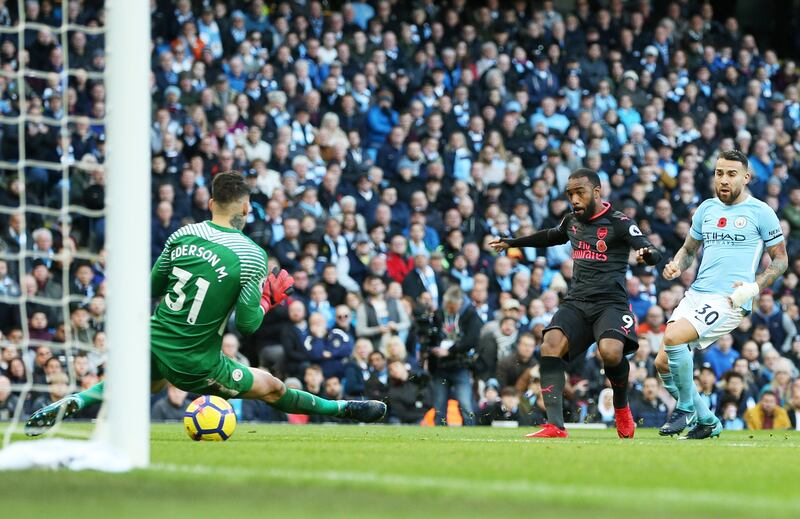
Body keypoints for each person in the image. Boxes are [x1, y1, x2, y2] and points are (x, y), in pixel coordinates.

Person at [26, 172, 386, 434]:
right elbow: (247, 326)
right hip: (196, 361)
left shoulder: (183, 233)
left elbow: (151, 287)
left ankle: (80, 399)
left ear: (211, 204)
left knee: (146, 382)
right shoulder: (251, 255)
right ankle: (343, 409)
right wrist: (266, 300)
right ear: (247, 206)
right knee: (272, 388)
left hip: (154, 337)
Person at [490, 168, 661, 438]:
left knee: (611, 352)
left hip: (610, 304)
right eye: (570, 194)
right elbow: (550, 236)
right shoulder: (572, 221)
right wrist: (513, 242)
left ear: (596, 192)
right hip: (577, 302)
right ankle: (555, 425)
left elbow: (649, 249)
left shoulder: (619, 222)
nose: (574, 199)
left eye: (579, 192)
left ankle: (621, 408)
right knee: (550, 344)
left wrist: (647, 255)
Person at [655, 150, 788, 440]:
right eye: (719, 173)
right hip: (697, 293)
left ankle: (686, 407)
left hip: (730, 298)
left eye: (731, 174)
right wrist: (677, 264)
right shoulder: (706, 209)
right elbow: (689, 250)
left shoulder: (761, 212)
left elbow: (781, 260)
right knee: (662, 362)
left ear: (746, 177)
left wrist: (754, 287)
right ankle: (707, 421)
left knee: (674, 338)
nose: (724, 180)